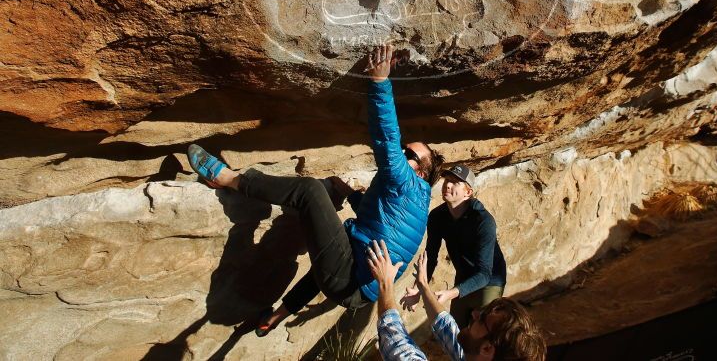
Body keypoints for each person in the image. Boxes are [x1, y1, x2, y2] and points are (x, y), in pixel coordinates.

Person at [187, 43, 444, 336]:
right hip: (356, 288)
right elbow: (380, 220)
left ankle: (229, 179)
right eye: (405, 149)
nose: (402, 153)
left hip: (350, 278)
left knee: (310, 191)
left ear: (421, 171)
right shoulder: (416, 200)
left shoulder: (407, 183)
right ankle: (273, 318)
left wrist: (380, 82)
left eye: (409, 155)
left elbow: (386, 139)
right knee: (326, 264)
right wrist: (350, 193)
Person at [367, 240, 546, 361]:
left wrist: (385, 283)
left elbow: (397, 345)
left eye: (482, 319)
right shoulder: (479, 355)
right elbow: (448, 329)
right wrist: (423, 285)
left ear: (487, 349)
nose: (475, 313)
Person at [402, 164, 506, 327]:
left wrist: (451, 293)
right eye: (446, 180)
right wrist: (418, 289)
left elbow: (485, 273)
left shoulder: (483, 221)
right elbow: (431, 257)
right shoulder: (437, 216)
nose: (447, 185)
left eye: (455, 182)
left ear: (468, 192)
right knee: (459, 331)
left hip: (490, 280)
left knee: (485, 331)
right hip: (464, 276)